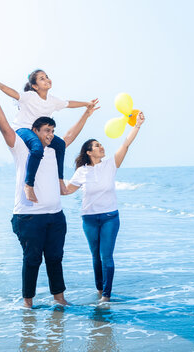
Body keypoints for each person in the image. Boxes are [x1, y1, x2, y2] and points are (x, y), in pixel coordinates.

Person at [0, 76, 99, 308]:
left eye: (52, 130)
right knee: (32, 260)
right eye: (46, 130)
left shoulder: (54, 150)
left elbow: (70, 136)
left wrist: (86, 113)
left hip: (55, 216)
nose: (50, 134)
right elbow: (4, 127)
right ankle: (28, 303)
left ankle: (60, 299)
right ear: (34, 130)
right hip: (28, 217)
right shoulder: (21, 147)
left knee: (55, 259)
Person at [62, 111, 145, 302]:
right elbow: (66, 191)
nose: (101, 147)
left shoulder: (111, 164)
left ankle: (106, 296)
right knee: (95, 257)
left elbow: (125, 144)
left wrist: (137, 125)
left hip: (109, 218)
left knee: (106, 256)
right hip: (89, 219)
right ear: (89, 152)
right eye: (97, 146)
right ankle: (100, 289)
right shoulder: (82, 171)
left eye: (101, 144)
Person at [0, 70, 98, 203]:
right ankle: (29, 185)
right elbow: (14, 93)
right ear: (35, 86)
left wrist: (86, 104)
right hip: (24, 129)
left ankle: (60, 181)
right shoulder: (30, 96)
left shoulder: (52, 101)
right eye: (42, 78)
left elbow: (68, 103)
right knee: (37, 147)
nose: (47, 79)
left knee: (60, 145)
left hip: (41, 131)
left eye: (47, 76)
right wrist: (0, 86)